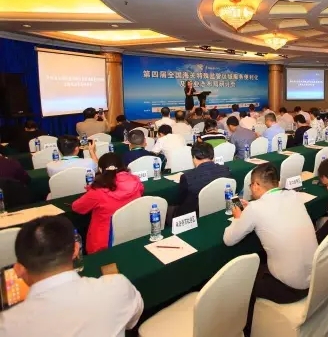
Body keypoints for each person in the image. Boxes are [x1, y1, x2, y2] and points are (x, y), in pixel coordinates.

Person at [0, 216, 143, 336]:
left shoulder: (7, 326)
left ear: (18, 270)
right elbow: (132, 320)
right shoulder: (117, 287)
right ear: (76, 249)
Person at [223, 163, 317, 336]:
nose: (251, 189)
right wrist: (250, 210)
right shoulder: (293, 195)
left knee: (239, 280)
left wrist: (238, 217)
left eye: (251, 185)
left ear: (256, 185)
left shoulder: (255, 208)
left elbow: (229, 239)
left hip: (289, 288)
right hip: (315, 277)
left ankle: (247, 330)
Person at [71, 153, 144, 254]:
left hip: (104, 244)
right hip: (132, 234)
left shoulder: (98, 191)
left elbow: (77, 207)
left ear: (100, 170)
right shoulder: (136, 181)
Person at [174, 142, 231, 218]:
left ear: (194, 157)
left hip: (194, 216)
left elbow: (181, 201)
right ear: (213, 156)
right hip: (219, 209)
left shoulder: (187, 177)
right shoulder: (225, 170)